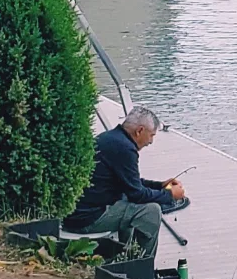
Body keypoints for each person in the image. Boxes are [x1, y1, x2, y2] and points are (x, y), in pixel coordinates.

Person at [64, 106, 187, 262]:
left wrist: (160, 185)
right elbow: (137, 194)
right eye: (151, 135)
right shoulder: (125, 149)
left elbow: (130, 183)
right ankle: (141, 267)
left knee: (129, 205)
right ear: (140, 130)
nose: (151, 141)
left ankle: (125, 258)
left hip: (78, 211)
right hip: (87, 219)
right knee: (151, 211)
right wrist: (170, 195)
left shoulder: (111, 138)